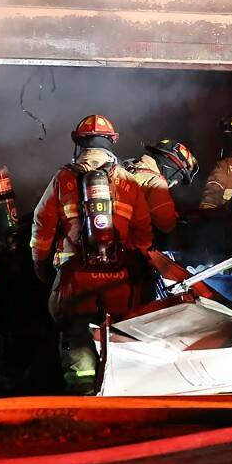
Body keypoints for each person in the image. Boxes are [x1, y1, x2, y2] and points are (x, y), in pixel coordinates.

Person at [30, 114, 149, 392]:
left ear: (79, 143)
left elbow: (42, 225)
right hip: (120, 279)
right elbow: (143, 231)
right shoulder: (128, 181)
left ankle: (84, 401)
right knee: (118, 337)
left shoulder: (64, 179)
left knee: (77, 337)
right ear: (111, 142)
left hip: (76, 277)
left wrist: (41, 266)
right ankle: (118, 395)